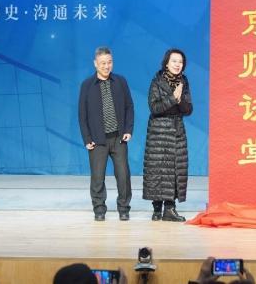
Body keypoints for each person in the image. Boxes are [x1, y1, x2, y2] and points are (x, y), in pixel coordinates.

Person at [78, 47, 134, 221]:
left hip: (118, 138)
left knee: (123, 176)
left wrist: (128, 130)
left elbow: (129, 107)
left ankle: (123, 208)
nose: (106, 66)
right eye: (103, 63)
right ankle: (99, 209)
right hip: (97, 140)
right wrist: (87, 138)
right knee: (97, 177)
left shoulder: (120, 81)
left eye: (109, 62)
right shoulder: (87, 85)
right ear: (95, 64)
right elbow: (82, 114)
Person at [142, 49, 193, 222]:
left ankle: (170, 209)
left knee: (175, 170)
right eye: (174, 61)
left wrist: (180, 100)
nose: (177, 64)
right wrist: (173, 98)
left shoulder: (184, 81)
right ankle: (157, 209)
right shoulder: (157, 81)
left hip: (177, 130)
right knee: (158, 169)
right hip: (158, 131)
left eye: (180, 62)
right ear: (166, 63)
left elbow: (188, 109)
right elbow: (154, 108)